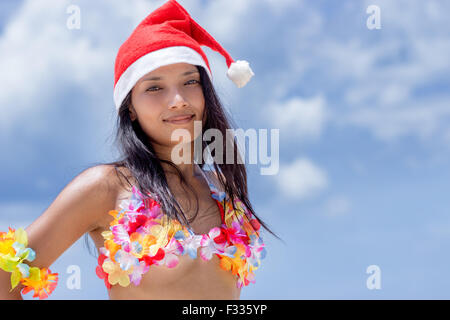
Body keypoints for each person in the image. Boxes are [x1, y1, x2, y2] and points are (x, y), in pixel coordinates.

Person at [0, 0, 281, 300]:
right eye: (154, 87)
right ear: (130, 108)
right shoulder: (105, 187)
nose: (178, 100)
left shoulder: (223, 188)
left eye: (190, 81)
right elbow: (5, 277)